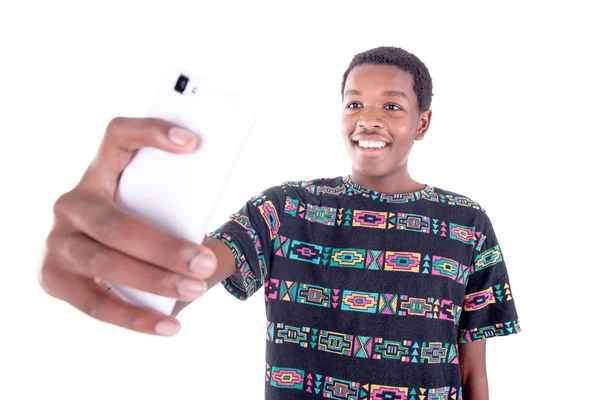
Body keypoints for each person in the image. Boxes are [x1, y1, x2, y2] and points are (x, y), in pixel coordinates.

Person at [39, 46, 520, 400]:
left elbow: (472, 373)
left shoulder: (467, 222)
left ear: (422, 123)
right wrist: (105, 260)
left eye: (391, 106)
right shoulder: (287, 209)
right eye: (354, 103)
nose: (368, 120)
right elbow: (190, 272)